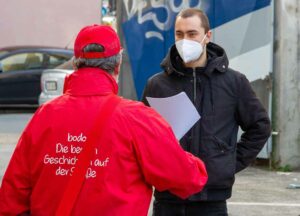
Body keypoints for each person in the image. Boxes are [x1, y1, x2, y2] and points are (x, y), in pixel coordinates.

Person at [0, 24, 208, 215]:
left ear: (76, 63)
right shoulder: (137, 118)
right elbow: (187, 179)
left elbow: (10, 199)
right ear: (117, 65)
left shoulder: (44, 115)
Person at [142, 8, 271, 216]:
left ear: (207, 36)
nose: (185, 40)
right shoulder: (157, 85)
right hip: (168, 199)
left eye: (192, 34)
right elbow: (143, 137)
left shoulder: (233, 82)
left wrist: (229, 163)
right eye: (179, 34)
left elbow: (260, 126)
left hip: (212, 200)